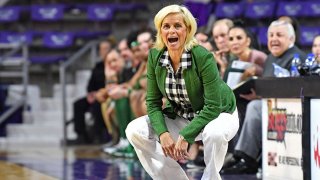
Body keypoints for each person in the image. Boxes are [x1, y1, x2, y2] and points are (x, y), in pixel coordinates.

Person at [125, 5, 239, 180]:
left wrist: (186, 136)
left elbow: (213, 106)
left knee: (214, 133)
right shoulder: (155, 56)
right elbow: (153, 103)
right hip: (182, 115)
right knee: (134, 130)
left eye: (178, 26)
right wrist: (163, 134)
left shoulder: (202, 56)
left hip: (219, 114)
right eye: (166, 26)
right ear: (160, 31)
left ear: (188, 30)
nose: (172, 31)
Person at [221, 20, 307, 174]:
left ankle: (246, 158)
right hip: (269, 105)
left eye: (279, 35)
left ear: (291, 39)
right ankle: (237, 154)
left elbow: (296, 90)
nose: (274, 39)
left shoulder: (297, 57)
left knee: (254, 107)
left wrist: (260, 98)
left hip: (291, 112)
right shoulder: (271, 58)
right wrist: (258, 94)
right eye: (270, 35)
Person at [67, 39, 113, 145]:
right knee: (78, 104)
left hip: (107, 95)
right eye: (101, 49)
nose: (104, 52)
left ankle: (98, 135)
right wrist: (90, 94)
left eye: (106, 49)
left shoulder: (113, 64)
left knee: (98, 106)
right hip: (95, 95)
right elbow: (90, 84)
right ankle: (81, 135)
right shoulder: (98, 66)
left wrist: (100, 94)